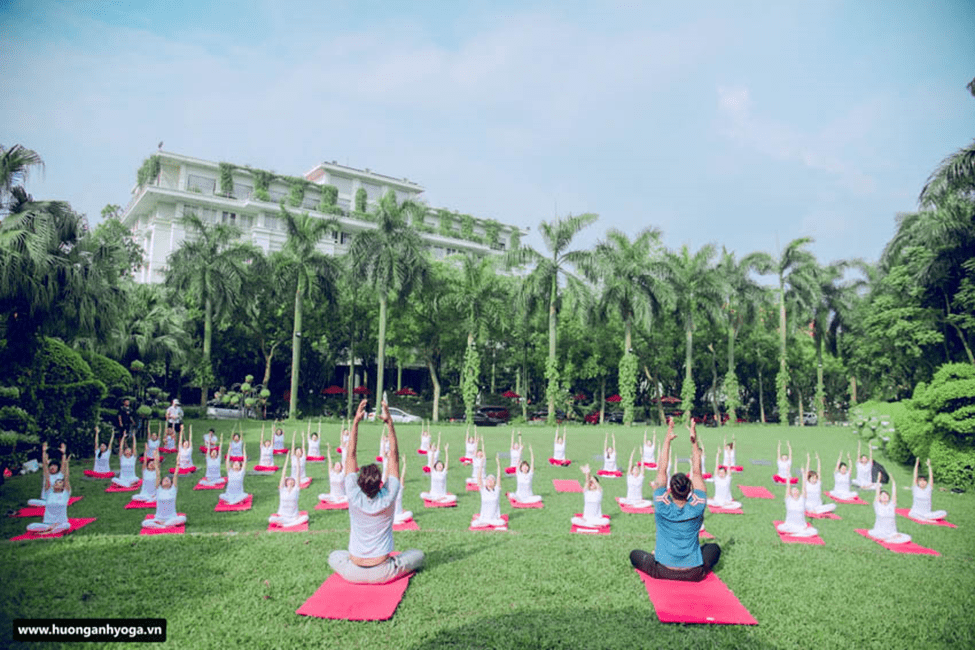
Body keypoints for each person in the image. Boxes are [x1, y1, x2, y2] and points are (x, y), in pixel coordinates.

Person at [327, 400, 424, 584]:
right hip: (383, 571)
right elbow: (394, 457)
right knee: (418, 555)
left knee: (335, 555)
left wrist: (355, 422)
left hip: (353, 571)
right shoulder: (388, 495)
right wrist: (390, 423)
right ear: (381, 482)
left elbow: (351, 454)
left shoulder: (353, 493)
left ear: (359, 481)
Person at [629, 418, 721, 582]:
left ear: (670, 490)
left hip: (663, 570)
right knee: (713, 549)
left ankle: (662, 555)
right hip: (693, 572)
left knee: (634, 555)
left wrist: (667, 438)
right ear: (690, 490)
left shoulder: (661, 504)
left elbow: (662, 469)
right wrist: (694, 441)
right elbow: (697, 472)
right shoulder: (697, 505)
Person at [26, 443, 72, 535]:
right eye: (56, 483)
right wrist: (43, 452)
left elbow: (66, 477)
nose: (56, 484)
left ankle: (47, 532)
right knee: (29, 526)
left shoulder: (65, 493)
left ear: (63, 486)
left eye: (59, 483)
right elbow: (45, 470)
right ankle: (50, 529)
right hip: (48, 523)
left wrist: (66, 461)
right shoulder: (49, 492)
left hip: (60, 523)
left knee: (67, 525)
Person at [141, 449, 186, 529]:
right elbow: (158, 475)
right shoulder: (158, 489)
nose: (166, 480)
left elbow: (175, 476)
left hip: (171, 518)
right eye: (164, 480)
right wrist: (155, 461)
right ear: (161, 483)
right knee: (144, 523)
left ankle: (163, 525)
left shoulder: (173, 489)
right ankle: (164, 526)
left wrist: (178, 463)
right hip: (159, 518)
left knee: (183, 518)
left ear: (171, 483)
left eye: (168, 480)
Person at [269, 450, 309, 528]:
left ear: (294, 483)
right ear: (286, 482)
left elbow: (298, 473)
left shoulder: (296, 490)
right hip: (283, 517)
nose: (290, 481)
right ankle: (288, 525)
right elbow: (283, 474)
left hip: (294, 517)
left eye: (292, 480)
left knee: (305, 517)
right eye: (288, 480)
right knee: (271, 519)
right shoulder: (282, 490)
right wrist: (287, 459)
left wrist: (297, 460)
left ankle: (287, 526)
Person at [776, 465, 819, 537]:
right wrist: (787, 474)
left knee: (814, 531)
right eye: (793, 490)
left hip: (800, 527)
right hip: (789, 526)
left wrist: (803, 475)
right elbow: (788, 486)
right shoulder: (788, 500)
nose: (795, 491)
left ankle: (795, 535)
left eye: (796, 490)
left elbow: (804, 488)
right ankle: (799, 534)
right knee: (780, 527)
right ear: (791, 493)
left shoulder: (802, 500)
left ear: (799, 492)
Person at [867, 478, 911, 544]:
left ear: (889, 497)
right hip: (880, 531)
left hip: (892, 531)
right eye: (882, 495)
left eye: (886, 495)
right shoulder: (877, 505)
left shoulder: (891, 505)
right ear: (879, 498)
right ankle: (887, 538)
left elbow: (894, 495)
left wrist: (893, 483)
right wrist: (878, 480)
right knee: (879, 535)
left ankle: (889, 537)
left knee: (907, 538)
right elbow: (877, 492)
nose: (885, 496)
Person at [471, 454, 506, 528]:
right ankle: (483, 522)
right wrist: (481, 464)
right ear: (485, 482)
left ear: (495, 482)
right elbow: (479, 477)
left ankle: (486, 523)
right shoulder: (483, 490)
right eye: (488, 480)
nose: (490, 481)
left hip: (494, 519)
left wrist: (498, 464)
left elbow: (499, 476)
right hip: (484, 518)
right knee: (473, 524)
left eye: (492, 480)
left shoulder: (496, 490)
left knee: (502, 522)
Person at [28, 442, 64, 507]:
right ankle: (47, 504)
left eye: (55, 466)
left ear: (58, 467)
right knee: (30, 501)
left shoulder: (60, 475)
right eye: (51, 466)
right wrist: (44, 451)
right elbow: (44, 464)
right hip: (45, 500)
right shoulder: (47, 475)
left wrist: (63, 453)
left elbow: (64, 464)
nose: (53, 467)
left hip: (54, 499)